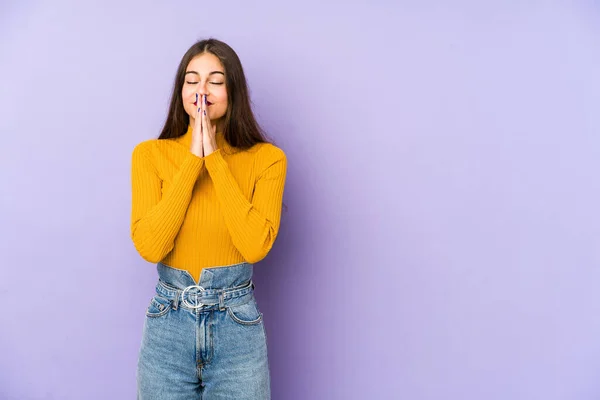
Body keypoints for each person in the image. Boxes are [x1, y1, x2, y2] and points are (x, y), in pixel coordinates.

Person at [130, 38, 287, 399]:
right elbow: (152, 247)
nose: (202, 89)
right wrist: (192, 161)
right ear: (180, 92)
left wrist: (214, 159)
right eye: (192, 80)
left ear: (233, 91)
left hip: (237, 328)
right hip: (167, 325)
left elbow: (253, 246)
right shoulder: (150, 155)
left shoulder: (268, 160)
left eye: (215, 81)